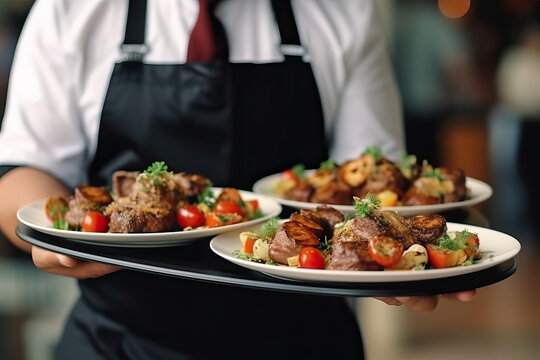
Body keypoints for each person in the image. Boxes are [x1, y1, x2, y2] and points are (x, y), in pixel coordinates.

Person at [0, 1, 475, 358]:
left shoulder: (342, 9)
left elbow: (374, 184)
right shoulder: (71, 9)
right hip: (118, 339)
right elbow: (20, 167)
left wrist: (397, 257)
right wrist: (58, 236)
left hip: (304, 340)